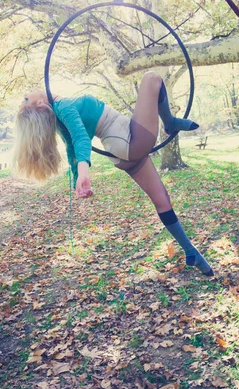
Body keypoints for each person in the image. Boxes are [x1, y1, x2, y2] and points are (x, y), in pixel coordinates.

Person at [13, 71, 213, 276]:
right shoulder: (63, 107)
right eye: (26, 100)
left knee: (162, 200)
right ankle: (169, 122)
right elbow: (81, 138)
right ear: (38, 105)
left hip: (121, 154)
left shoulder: (60, 114)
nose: (25, 95)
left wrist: (77, 181)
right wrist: (83, 173)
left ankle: (190, 251)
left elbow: (72, 147)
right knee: (152, 79)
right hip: (129, 140)